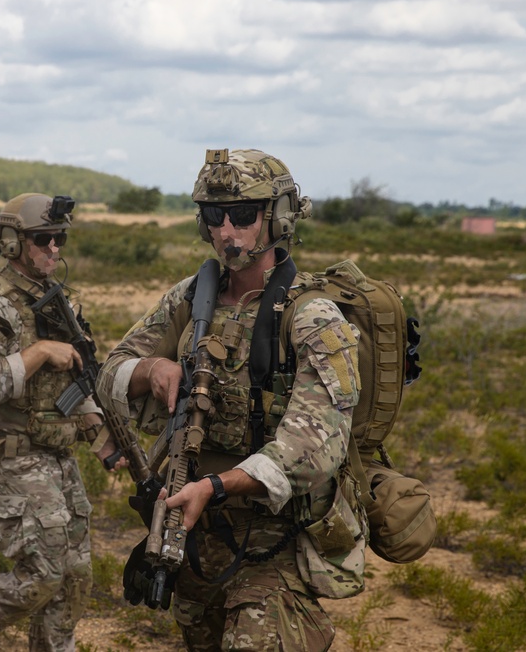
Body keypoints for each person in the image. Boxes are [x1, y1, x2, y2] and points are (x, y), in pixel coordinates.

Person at [96, 149, 367, 651]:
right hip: (195, 531)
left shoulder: (313, 318)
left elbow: (314, 446)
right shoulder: (190, 298)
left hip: (275, 538)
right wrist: (151, 369)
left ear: (279, 217)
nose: (227, 230)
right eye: (213, 216)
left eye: (243, 215)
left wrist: (218, 487)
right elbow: (110, 370)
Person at [0, 193, 119, 652]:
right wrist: (40, 352)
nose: (54, 249)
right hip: (15, 457)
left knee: (74, 579)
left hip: (59, 458)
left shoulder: (55, 301)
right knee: (42, 576)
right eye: (42, 239)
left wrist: (102, 438)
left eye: (59, 238)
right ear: (12, 242)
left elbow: (77, 383)